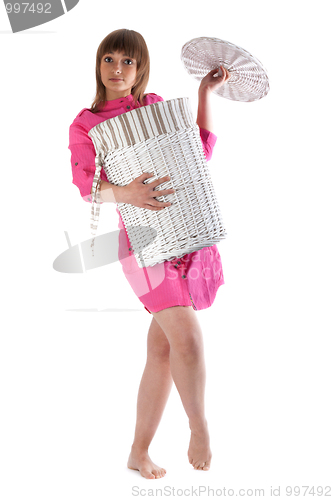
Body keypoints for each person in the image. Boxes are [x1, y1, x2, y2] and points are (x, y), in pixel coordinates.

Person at [69, 29, 230, 480]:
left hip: (182, 234)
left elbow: (200, 150)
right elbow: (87, 187)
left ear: (140, 69)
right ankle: (199, 431)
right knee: (190, 341)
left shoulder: (153, 106)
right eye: (110, 60)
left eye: (128, 62)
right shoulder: (85, 123)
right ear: (98, 64)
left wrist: (204, 93)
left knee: (163, 351)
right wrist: (128, 192)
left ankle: (138, 453)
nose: (117, 70)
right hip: (138, 247)